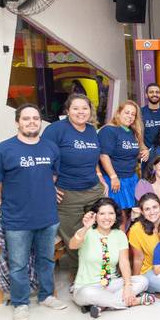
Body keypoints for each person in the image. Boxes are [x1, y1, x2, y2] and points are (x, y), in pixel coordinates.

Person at [0, 103, 68, 320]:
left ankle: (46, 296)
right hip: (17, 218)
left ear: (40, 122)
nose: (32, 122)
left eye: (35, 118)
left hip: (47, 216)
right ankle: (20, 303)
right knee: (18, 264)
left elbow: (52, 176)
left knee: (46, 260)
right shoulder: (3, 150)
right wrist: (2, 204)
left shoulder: (51, 148)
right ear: (17, 122)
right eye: (26, 118)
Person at [42, 94, 106, 266]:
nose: (80, 112)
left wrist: (100, 177)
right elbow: (42, 159)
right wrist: (48, 186)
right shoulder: (55, 130)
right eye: (75, 108)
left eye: (84, 108)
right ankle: (79, 272)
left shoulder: (91, 130)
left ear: (90, 111)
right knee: (74, 236)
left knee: (99, 230)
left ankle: (100, 268)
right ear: (67, 110)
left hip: (93, 191)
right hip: (67, 194)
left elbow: (92, 157)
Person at [70, 198, 153, 318]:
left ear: (116, 216)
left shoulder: (120, 235)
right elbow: (72, 245)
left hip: (111, 284)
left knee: (142, 280)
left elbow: (124, 262)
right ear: (95, 216)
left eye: (111, 213)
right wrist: (85, 228)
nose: (107, 217)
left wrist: (128, 286)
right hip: (87, 287)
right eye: (102, 214)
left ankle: (102, 305)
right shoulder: (86, 232)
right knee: (87, 293)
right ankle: (136, 301)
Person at [98, 100, 148, 221]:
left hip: (131, 179)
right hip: (115, 180)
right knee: (118, 216)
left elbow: (130, 154)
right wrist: (113, 177)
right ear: (118, 113)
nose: (130, 116)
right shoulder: (109, 130)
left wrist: (145, 152)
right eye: (127, 112)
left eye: (133, 114)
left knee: (131, 215)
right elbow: (104, 155)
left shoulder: (133, 132)